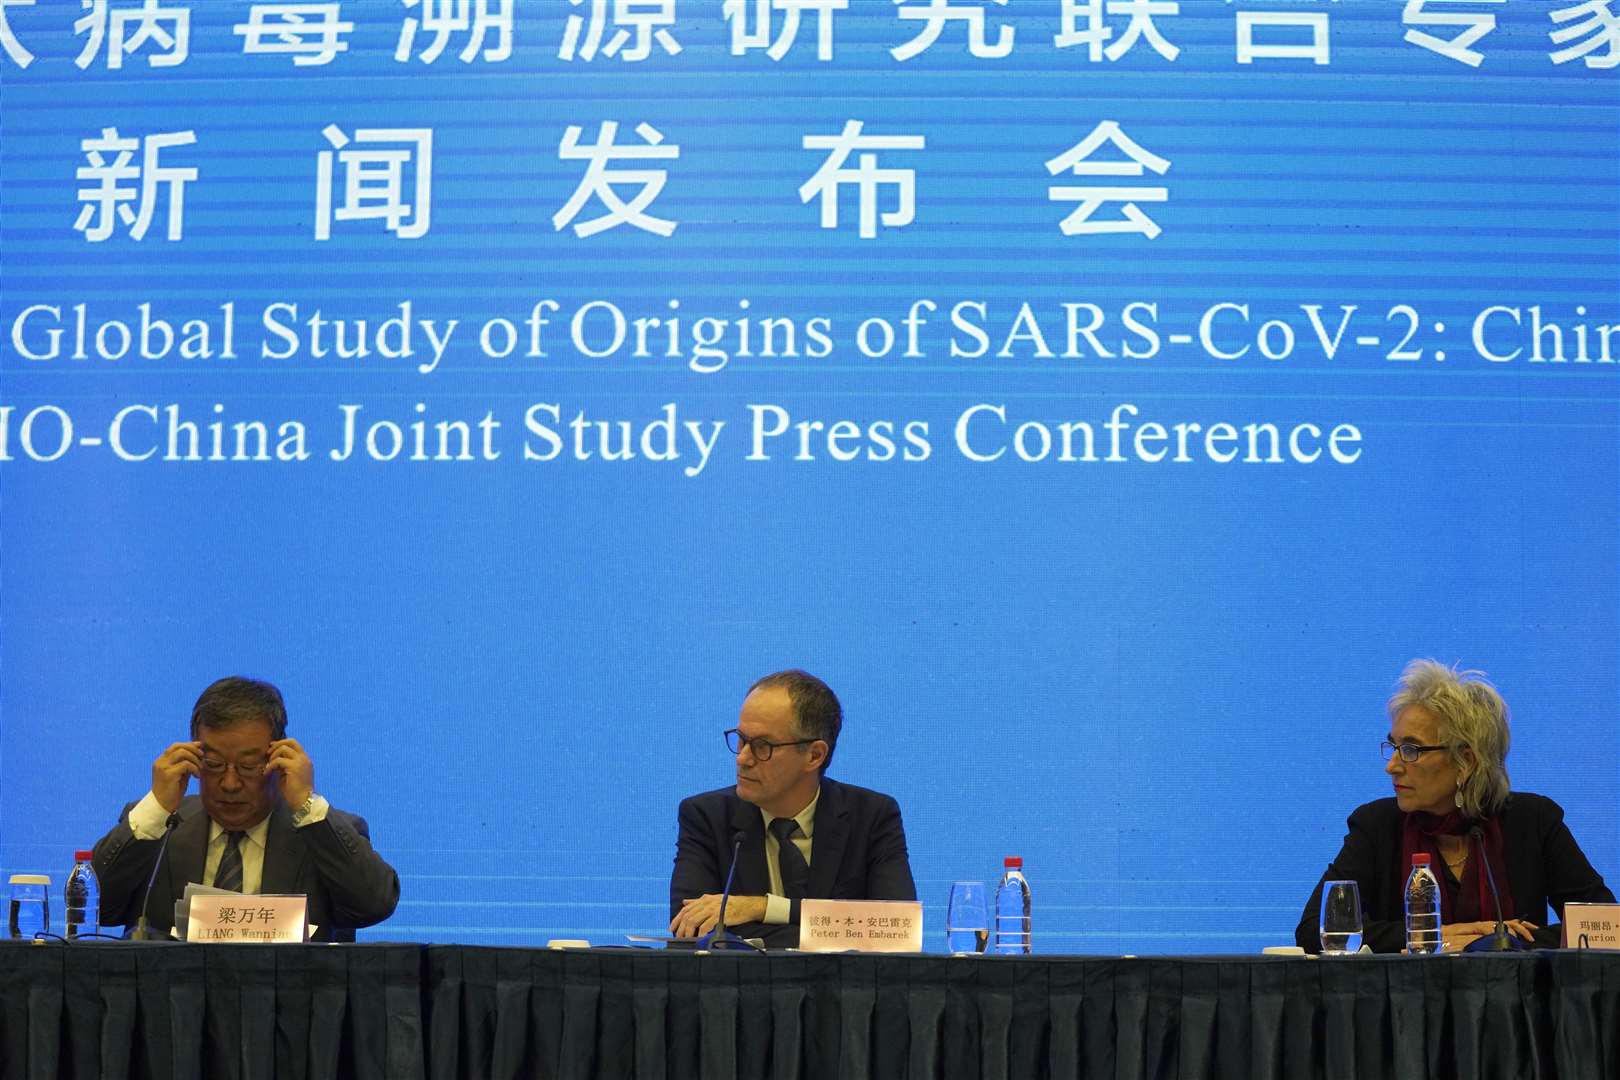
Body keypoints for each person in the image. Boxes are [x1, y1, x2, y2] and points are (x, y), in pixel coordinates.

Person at [1297, 660, 1614, 953]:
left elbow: (1606, 929)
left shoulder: (1534, 822)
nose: (1392, 766)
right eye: (1393, 747)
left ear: (1466, 760)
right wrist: (1439, 936)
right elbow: (1316, 930)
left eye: (1411, 749)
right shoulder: (1377, 826)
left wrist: (1497, 942)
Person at [93, 676, 400, 942]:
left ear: (277, 758)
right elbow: (98, 910)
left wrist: (307, 804)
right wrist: (156, 808)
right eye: (213, 765)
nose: (229, 783)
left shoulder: (319, 833)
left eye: (249, 766)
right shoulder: (158, 827)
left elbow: (374, 905)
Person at [669, 669, 916, 947]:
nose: (743, 758)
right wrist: (835, 932)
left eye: (763, 746)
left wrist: (761, 908)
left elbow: (898, 930)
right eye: (741, 739)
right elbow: (689, 934)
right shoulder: (706, 817)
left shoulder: (871, 817)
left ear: (814, 755)